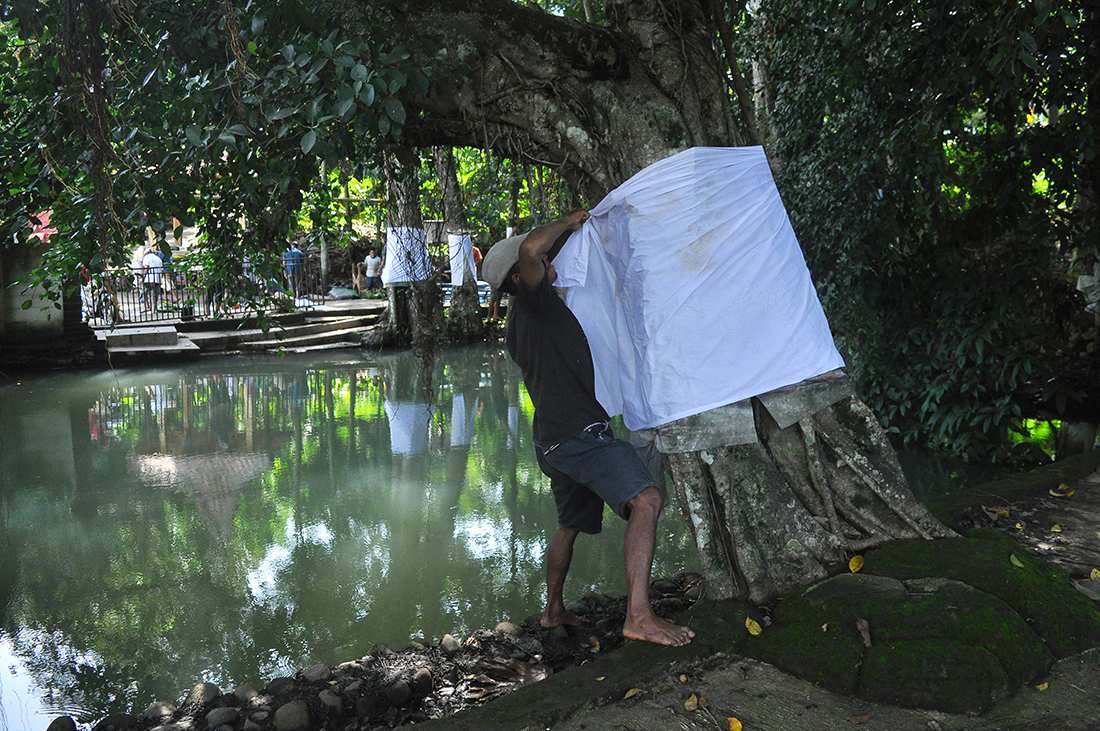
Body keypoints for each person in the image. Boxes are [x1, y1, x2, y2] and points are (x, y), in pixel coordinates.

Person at [482, 209, 694, 647]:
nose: (550, 264)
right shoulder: (537, 306)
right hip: (580, 435)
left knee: (568, 524)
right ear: (521, 279)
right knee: (648, 499)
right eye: (541, 266)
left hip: (552, 441)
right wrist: (568, 221)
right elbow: (530, 249)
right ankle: (639, 616)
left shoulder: (520, 324)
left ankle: (552, 610)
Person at [141, 247, 163, 312]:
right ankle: (154, 309)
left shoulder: (146, 258)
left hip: (149, 279)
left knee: (144, 293)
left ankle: (147, 306)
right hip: (157, 278)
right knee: (155, 295)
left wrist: (142, 278)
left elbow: (146, 268)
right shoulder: (158, 258)